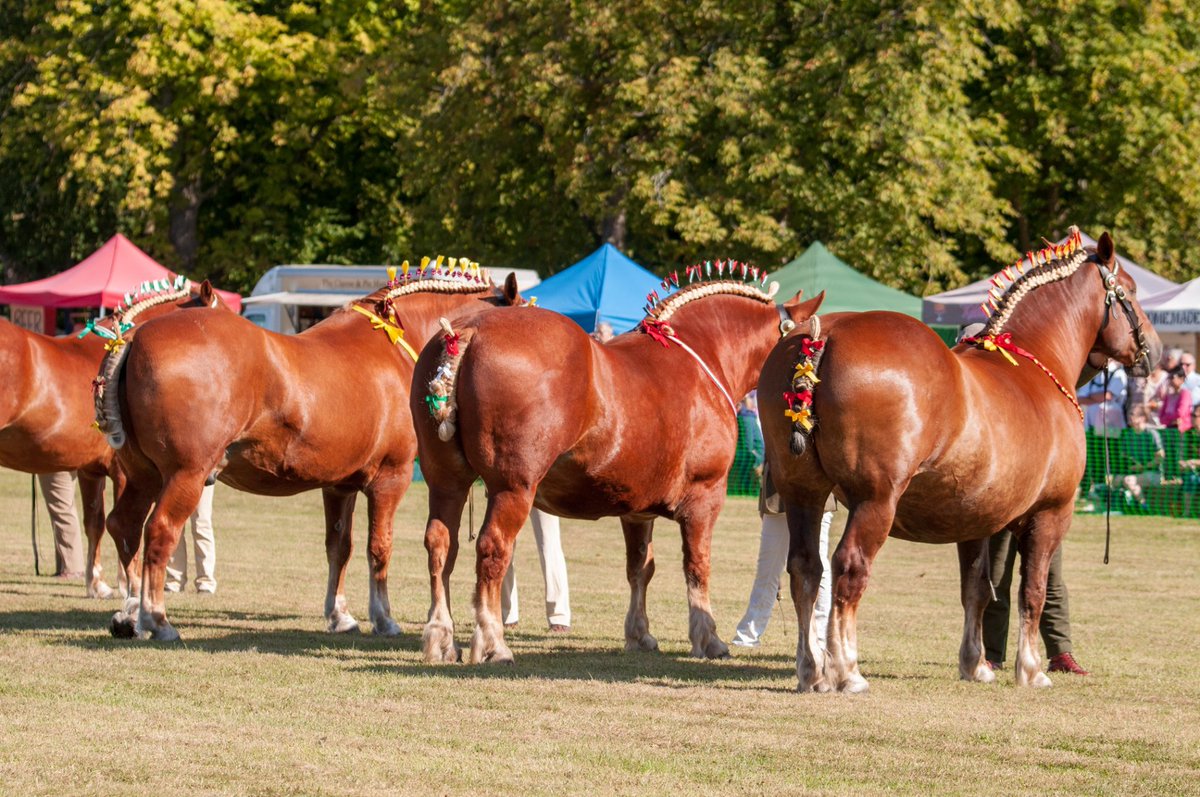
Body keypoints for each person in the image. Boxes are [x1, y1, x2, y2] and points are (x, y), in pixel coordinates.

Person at [731, 466, 834, 650]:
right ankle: (747, 636)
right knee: (768, 568)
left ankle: (821, 636)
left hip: (817, 488)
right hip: (777, 492)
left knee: (820, 566)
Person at [983, 530, 1088, 676]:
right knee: (995, 583)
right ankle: (991, 656)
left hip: (1043, 513)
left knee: (1050, 582)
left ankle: (1060, 654)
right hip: (1004, 515)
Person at [501, 507, 570, 632]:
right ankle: (506, 615)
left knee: (550, 545)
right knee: (503, 547)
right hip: (506, 490)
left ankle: (559, 617)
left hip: (542, 489)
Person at [164, 482, 217, 593]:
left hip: (202, 474)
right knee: (174, 525)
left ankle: (206, 581)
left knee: (201, 523)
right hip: (176, 475)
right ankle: (174, 580)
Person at [36, 471, 84, 579]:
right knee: (64, 507)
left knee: (62, 508)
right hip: (64, 463)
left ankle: (73, 568)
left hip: (55, 463)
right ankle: (66, 566)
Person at [1157, 366, 1193, 431]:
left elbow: (1181, 413)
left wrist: (1167, 417)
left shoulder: (1185, 394)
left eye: (1172, 377)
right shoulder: (1168, 396)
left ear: (1181, 379)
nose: (1170, 379)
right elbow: (1161, 418)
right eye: (1169, 377)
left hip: (1182, 430)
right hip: (1170, 429)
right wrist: (1171, 421)